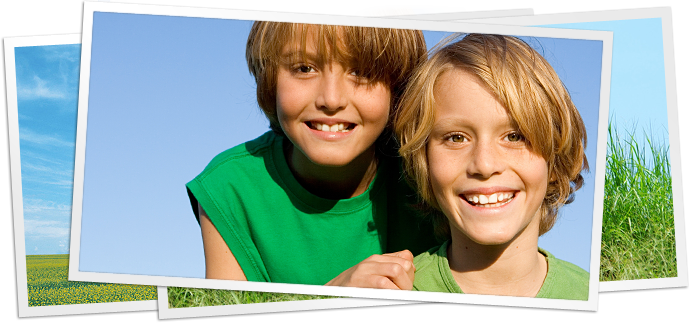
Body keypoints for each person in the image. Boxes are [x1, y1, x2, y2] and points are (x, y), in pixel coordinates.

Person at [186, 6, 437, 288]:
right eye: (304, 68)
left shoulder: (430, 174)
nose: (331, 99)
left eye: (362, 71)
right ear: (270, 79)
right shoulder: (231, 187)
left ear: (398, 86)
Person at [394, 34, 590, 299]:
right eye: (456, 138)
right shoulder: (390, 293)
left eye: (515, 136)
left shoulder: (591, 294)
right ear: (424, 160)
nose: (485, 165)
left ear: (553, 161)